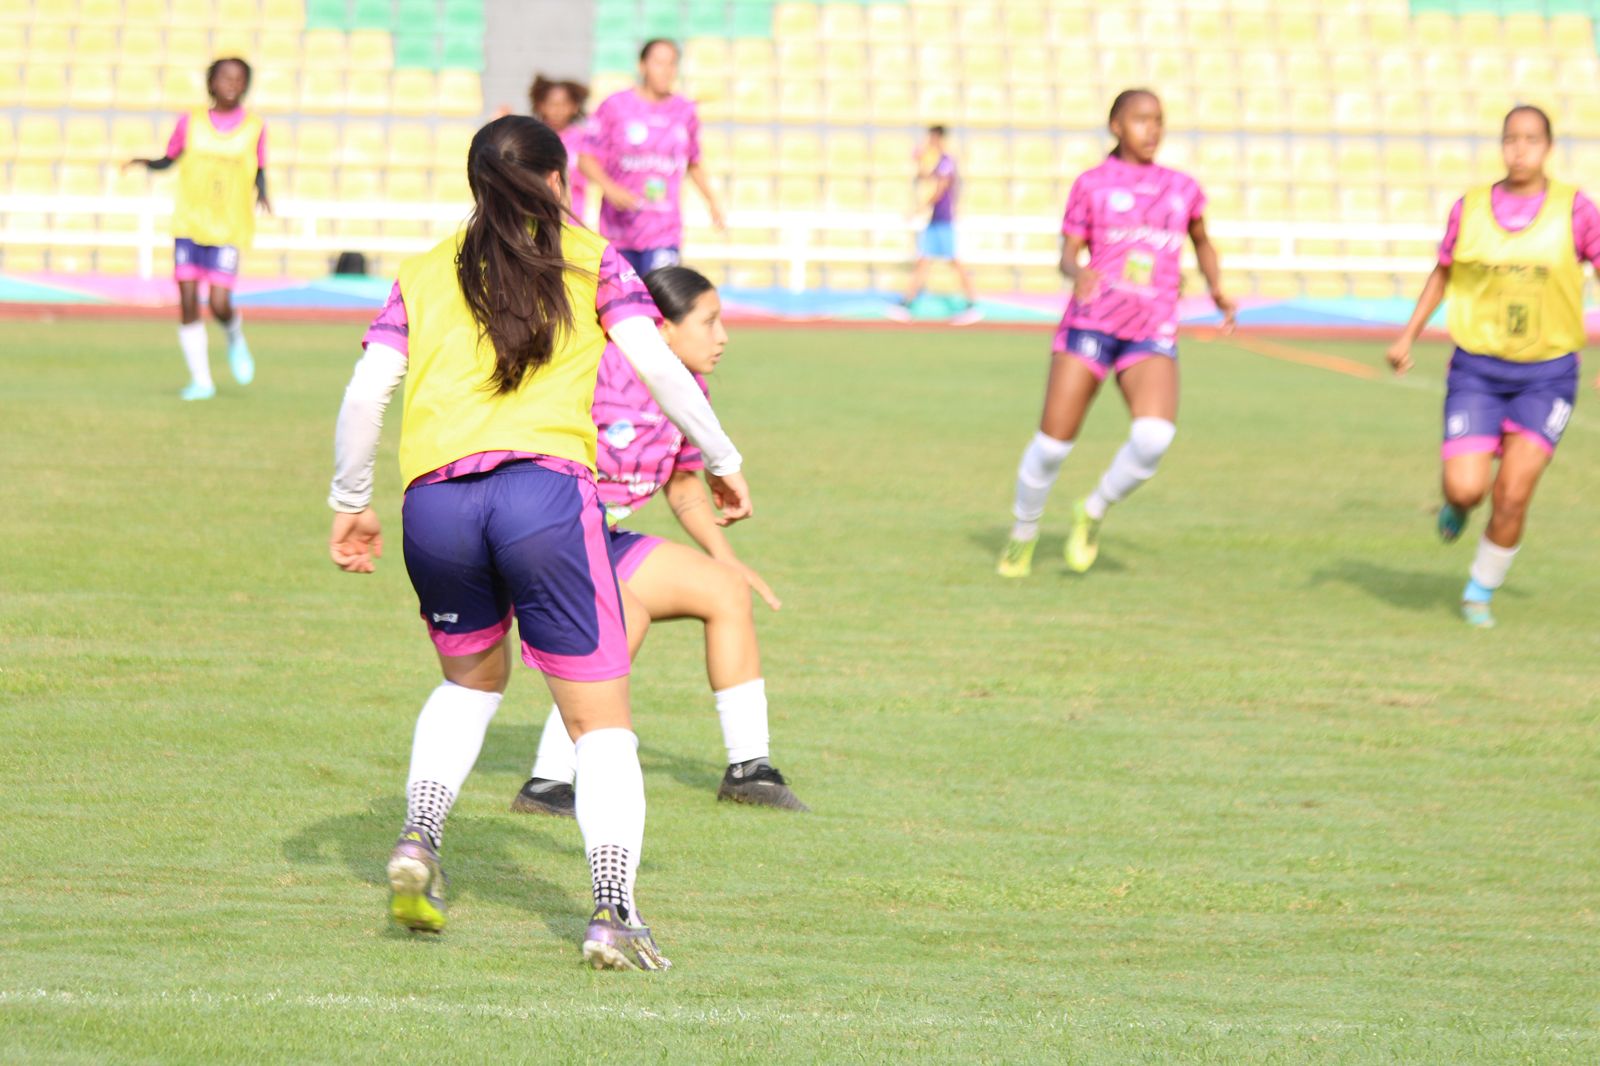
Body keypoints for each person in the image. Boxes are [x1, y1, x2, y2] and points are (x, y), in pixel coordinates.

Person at [326, 116, 752, 971]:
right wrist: (722, 456)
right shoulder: (593, 258)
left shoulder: (423, 270)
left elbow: (369, 389)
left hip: (434, 502)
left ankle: (418, 837)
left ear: (476, 184)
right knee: (601, 726)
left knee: (471, 681)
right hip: (544, 498)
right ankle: (612, 911)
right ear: (559, 181)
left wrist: (350, 499)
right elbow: (661, 364)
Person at [511, 266, 806, 819]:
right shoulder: (594, 369)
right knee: (629, 616)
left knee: (725, 592)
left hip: (604, 539)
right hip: (548, 536)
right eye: (710, 322)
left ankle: (750, 770)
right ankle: (548, 781)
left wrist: (729, 559)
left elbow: (682, 479)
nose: (723, 337)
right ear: (660, 329)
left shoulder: (691, 388)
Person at [997, 89, 1235, 578]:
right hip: (1091, 324)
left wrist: (1217, 288)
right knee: (1053, 446)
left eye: (1159, 120)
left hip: (1151, 329)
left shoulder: (1182, 187)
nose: (1153, 130)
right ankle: (1023, 533)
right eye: (1141, 120)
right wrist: (1076, 271)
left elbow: (1203, 241)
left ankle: (1094, 509)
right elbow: (1068, 252)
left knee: (1154, 438)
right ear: (1116, 126)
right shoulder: (1092, 184)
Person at [1387, 105, 1600, 627]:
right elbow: (1442, 274)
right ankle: (1457, 506)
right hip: (1477, 371)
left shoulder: (1576, 211)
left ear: (1548, 147)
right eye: (1511, 139)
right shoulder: (1471, 207)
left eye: (1530, 139)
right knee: (1467, 488)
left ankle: (1479, 590)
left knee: (1513, 495)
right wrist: (1408, 334)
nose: (1519, 149)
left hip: (1546, 375)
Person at [124, 57, 268, 401]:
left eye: (238, 79)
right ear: (211, 83)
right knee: (188, 298)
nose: (231, 84)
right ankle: (201, 380)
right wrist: (145, 162)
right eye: (225, 78)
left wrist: (265, 192)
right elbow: (170, 158)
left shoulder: (254, 128)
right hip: (189, 222)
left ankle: (233, 334)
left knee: (219, 302)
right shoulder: (190, 122)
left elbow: (259, 166)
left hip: (229, 226)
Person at [579, 39, 726, 277]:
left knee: (664, 301)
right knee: (622, 307)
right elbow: (586, 158)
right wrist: (611, 189)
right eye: (658, 62)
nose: (666, 70)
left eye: (672, 63)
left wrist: (712, 201)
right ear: (642, 66)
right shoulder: (615, 106)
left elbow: (693, 161)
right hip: (619, 229)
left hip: (664, 229)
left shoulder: (684, 110)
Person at [886, 126, 982, 325]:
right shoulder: (939, 162)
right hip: (935, 221)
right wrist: (919, 159)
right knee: (924, 260)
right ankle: (906, 303)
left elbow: (940, 189)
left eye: (930, 137)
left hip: (943, 220)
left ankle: (973, 304)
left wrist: (918, 210)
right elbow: (924, 176)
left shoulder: (946, 161)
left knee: (954, 262)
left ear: (937, 137)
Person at [530, 74, 591, 221]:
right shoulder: (531, 137)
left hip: (572, 216)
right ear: (541, 106)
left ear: (574, 107)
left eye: (564, 104)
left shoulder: (583, 139)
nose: (558, 110)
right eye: (552, 104)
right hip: (539, 214)